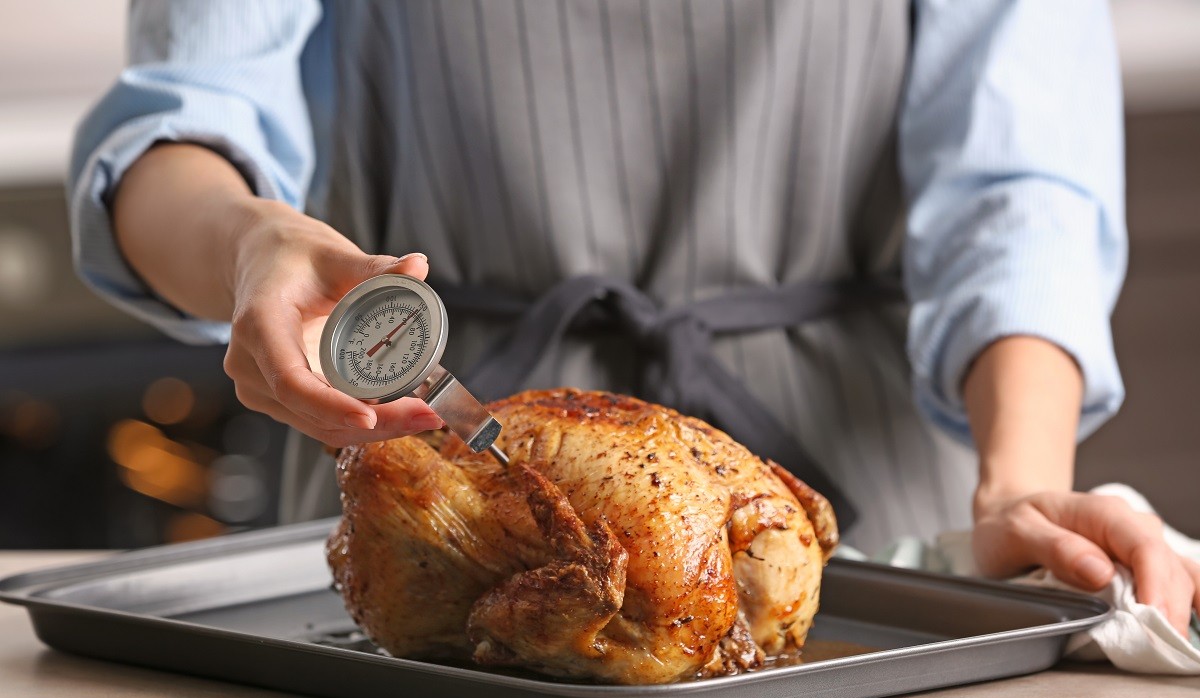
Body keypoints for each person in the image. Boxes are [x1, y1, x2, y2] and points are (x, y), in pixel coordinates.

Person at [69, 0, 1199, 634]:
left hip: (856, 530)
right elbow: (183, 125)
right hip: (419, 447)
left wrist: (1017, 481)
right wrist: (250, 243)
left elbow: (1020, 192)